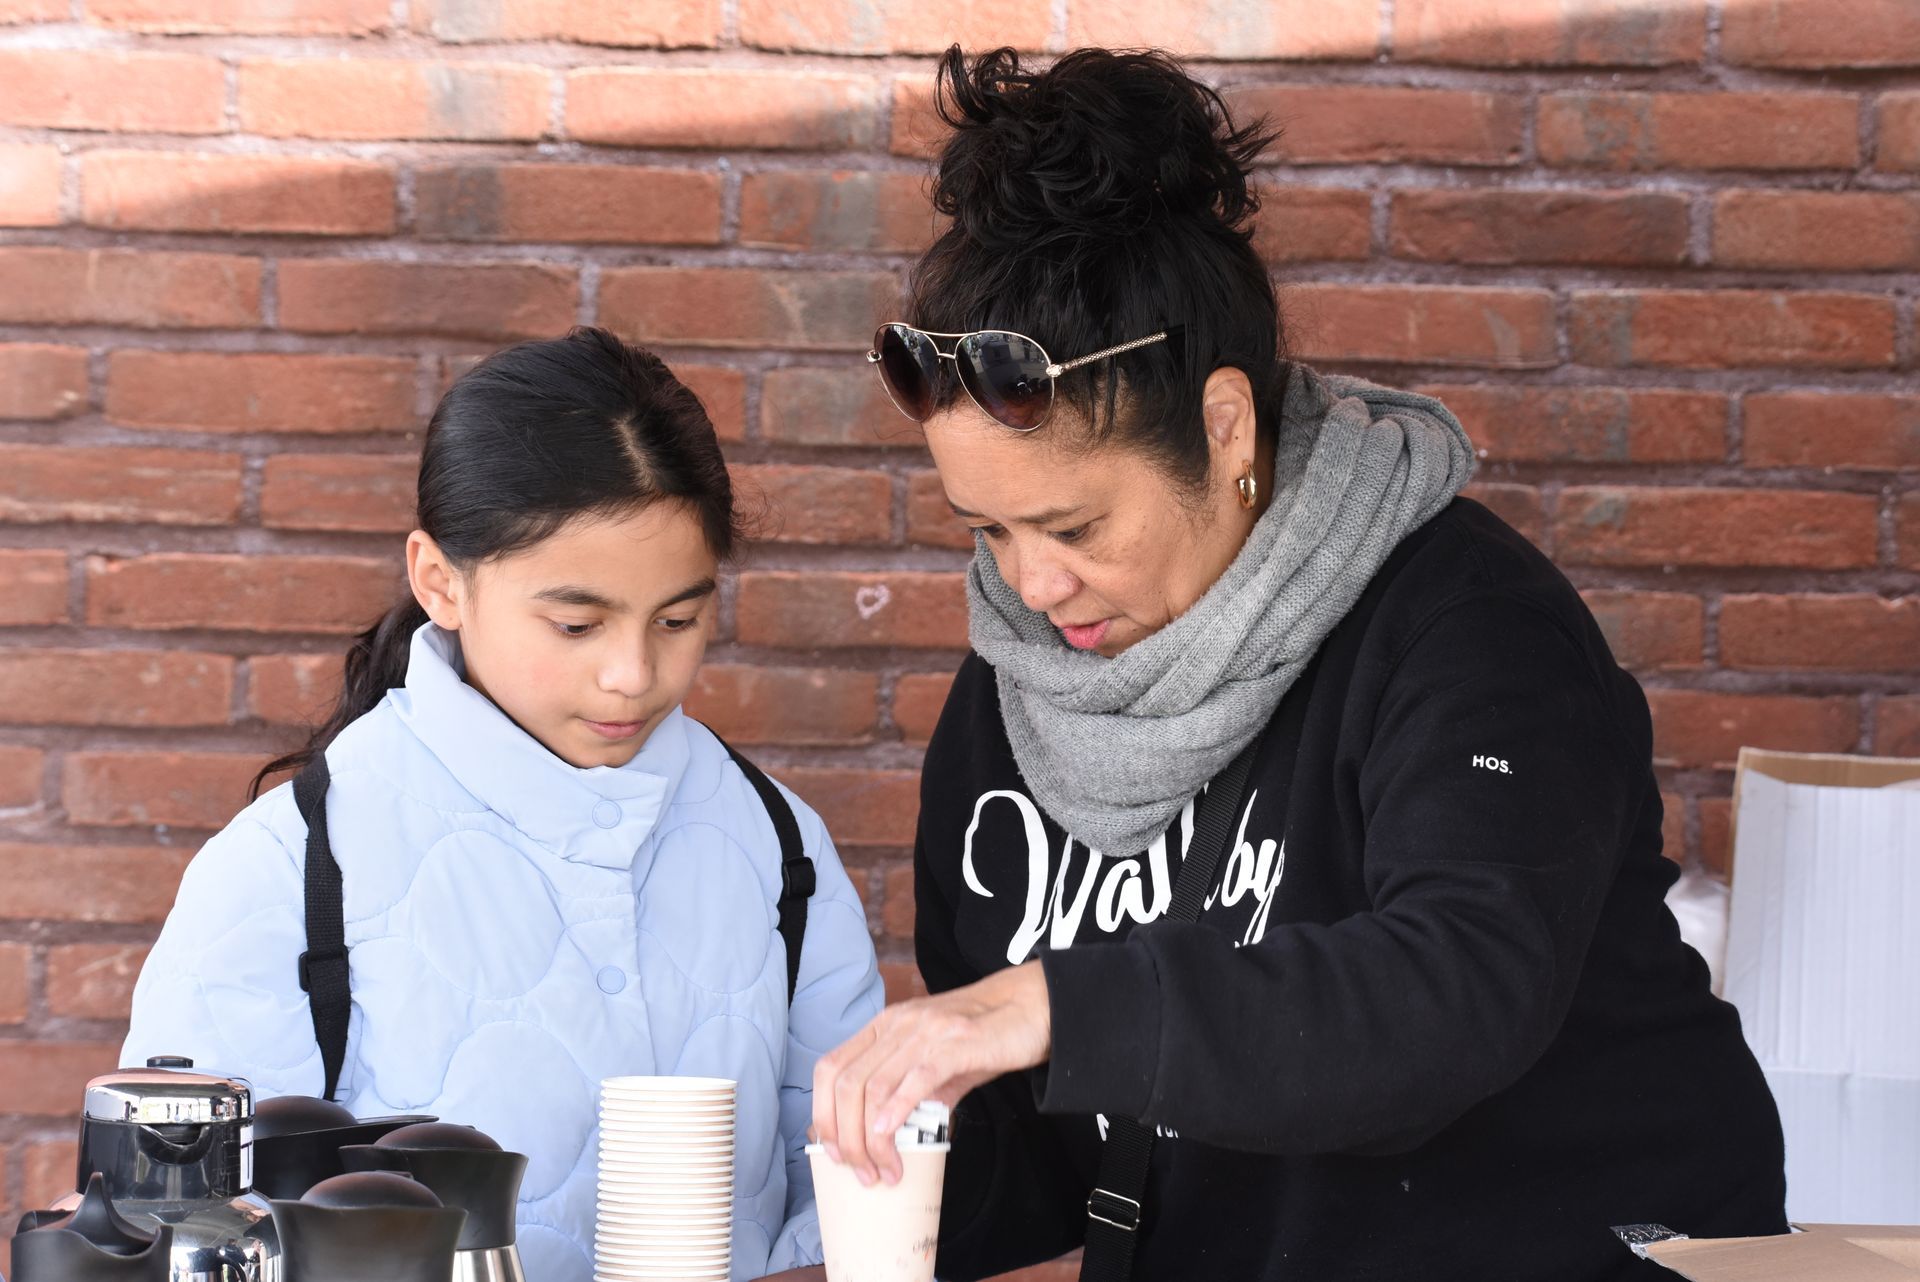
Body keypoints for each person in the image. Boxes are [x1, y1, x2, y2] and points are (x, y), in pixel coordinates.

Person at [809, 47, 1788, 1282]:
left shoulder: (1466, 629)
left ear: (1225, 430)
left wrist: (1054, 1002)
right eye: (988, 530)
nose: (1033, 584)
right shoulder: (1019, 695)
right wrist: (829, 1176)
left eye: (1075, 527)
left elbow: (1456, 988)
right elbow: (1044, 1155)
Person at [125, 327, 878, 1282]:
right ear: (440, 581)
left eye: (679, 619)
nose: (632, 673)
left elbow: (854, 1193)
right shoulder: (288, 866)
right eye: (576, 623)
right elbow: (183, 1236)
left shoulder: (778, 843)